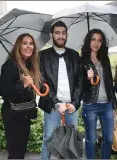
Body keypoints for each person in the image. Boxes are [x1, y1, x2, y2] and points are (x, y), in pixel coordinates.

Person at [38, 20, 83, 160]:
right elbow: (41, 82)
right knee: (48, 141)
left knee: (71, 143)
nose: (60, 36)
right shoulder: (42, 56)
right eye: (57, 33)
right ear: (52, 35)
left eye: (63, 33)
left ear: (67, 35)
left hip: (71, 107)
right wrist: (57, 103)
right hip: (52, 106)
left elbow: (80, 82)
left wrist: (74, 103)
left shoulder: (75, 55)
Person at [0, 33, 41, 159]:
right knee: (15, 153)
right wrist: (22, 85)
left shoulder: (29, 64)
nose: (29, 46)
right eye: (25, 43)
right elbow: (3, 91)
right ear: (18, 46)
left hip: (24, 113)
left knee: (21, 151)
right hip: (12, 116)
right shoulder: (10, 65)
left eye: (31, 43)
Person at [80, 29, 117, 159]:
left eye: (99, 40)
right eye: (93, 39)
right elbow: (79, 85)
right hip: (91, 104)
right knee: (91, 139)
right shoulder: (82, 61)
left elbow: (109, 83)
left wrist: (113, 105)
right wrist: (86, 77)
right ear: (88, 41)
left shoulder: (104, 58)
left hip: (107, 104)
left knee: (108, 139)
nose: (96, 43)